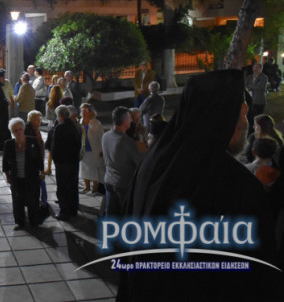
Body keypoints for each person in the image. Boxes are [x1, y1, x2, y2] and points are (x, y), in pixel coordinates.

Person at [119, 69, 283, 301]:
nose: (244, 124)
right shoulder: (236, 184)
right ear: (226, 117)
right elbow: (258, 278)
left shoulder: (153, 163)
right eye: (242, 115)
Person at [3, 117, 44, 229]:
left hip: (31, 176)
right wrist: (7, 175)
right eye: (15, 130)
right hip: (17, 177)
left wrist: (42, 171)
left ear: (24, 129)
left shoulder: (32, 141)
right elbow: (5, 161)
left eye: (20, 129)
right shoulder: (9, 144)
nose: (18, 132)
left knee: (33, 199)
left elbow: (39, 158)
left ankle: (34, 220)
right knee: (17, 200)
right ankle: (19, 222)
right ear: (12, 132)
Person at [102, 106, 142, 216]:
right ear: (124, 120)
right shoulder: (127, 141)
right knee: (126, 215)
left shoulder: (105, 136)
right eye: (129, 118)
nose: (131, 121)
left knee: (111, 213)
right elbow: (140, 163)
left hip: (109, 180)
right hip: (123, 184)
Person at [47, 105, 82, 221]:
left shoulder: (60, 128)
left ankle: (64, 212)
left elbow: (55, 147)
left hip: (63, 163)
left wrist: (56, 160)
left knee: (63, 187)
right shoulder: (75, 126)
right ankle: (73, 209)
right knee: (73, 185)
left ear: (60, 116)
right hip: (74, 161)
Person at [79, 103, 104, 195]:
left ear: (90, 112)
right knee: (84, 168)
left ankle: (95, 188)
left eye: (85, 110)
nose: (82, 112)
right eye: (82, 110)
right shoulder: (80, 121)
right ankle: (86, 187)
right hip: (84, 149)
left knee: (93, 169)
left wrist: (101, 150)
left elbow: (101, 137)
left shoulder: (96, 123)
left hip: (94, 149)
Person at [25, 110, 47, 206]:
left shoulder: (36, 129)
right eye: (37, 120)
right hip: (32, 163)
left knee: (40, 182)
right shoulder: (28, 131)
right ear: (31, 120)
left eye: (40, 120)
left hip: (38, 161)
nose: (39, 122)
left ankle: (41, 200)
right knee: (35, 183)